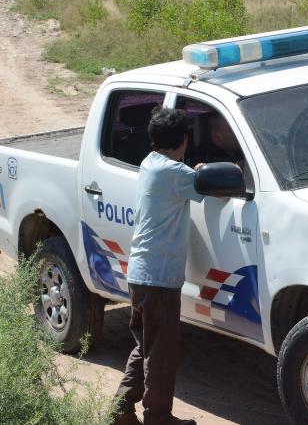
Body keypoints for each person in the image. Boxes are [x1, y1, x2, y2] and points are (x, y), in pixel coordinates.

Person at [112, 107, 202, 425]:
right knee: (161, 353)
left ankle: (121, 410)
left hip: (141, 274)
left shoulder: (152, 164)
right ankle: (158, 418)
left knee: (146, 345)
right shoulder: (176, 174)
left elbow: (189, 176)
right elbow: (204, 184)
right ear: (184, 141)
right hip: (159, 278)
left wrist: (194, 170)